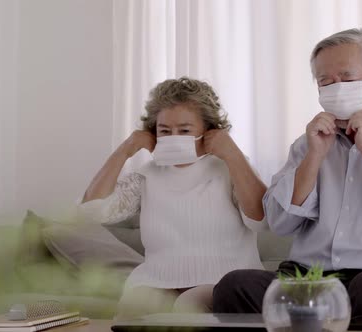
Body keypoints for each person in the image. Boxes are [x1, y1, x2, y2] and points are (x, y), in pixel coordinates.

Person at [213, 28, 362, 323]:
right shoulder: (306, 144)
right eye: (325, 82)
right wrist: (314, 156)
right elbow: (279, 222)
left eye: (347, 79)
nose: (335, 88)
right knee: (234, 286)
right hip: (312, 280)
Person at [78, 77, 267, 319]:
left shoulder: (228, 168)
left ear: (208, 131)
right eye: (165, 131)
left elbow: (260, 219)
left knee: (190, 305)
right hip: (157, 280)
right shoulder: (147, 175)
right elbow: (92, 212)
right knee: (136, 304)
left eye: (185, 131)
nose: (173, 137)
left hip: (221, 280)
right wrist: (125, 150)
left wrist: (233, 154)